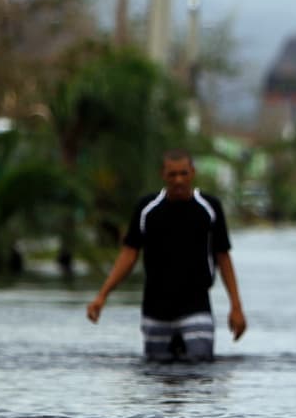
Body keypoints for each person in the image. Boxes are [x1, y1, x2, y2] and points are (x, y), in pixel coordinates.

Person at [87, 149, 247, 361]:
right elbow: (128, 255)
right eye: (172, 174)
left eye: (183, 173)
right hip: (155, 308)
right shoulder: (147, 209)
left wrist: (236, 306)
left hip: (196, 304)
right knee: (156, 373)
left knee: (200, 365)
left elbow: (223, 257)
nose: (178, 180)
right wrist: (102, 296)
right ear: (163, 175)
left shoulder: (209, 208)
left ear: (193, 172)